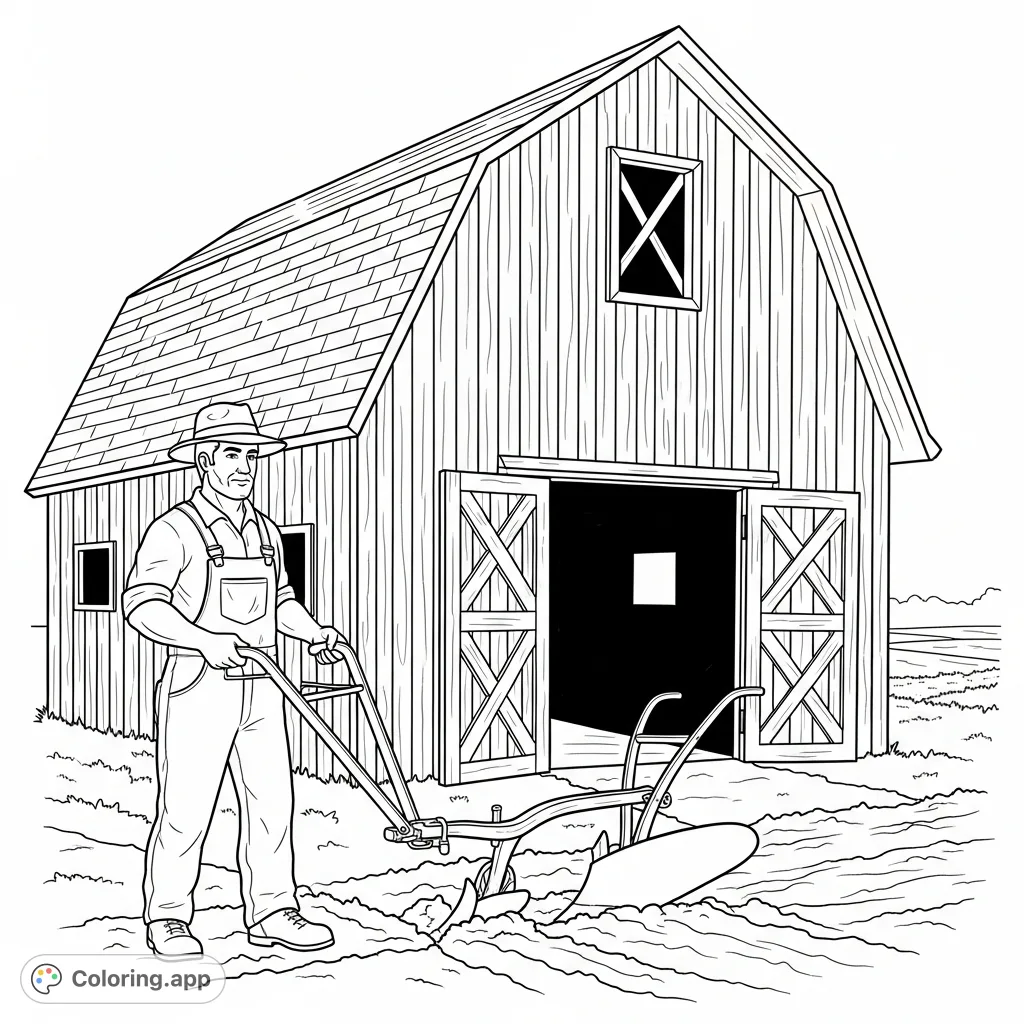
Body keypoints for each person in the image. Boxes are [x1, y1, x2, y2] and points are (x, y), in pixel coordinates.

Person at [123, 401, 340, 961]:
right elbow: (141, 606)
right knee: (187, 806)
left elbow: (282, 602)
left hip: (266, 687)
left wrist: (313, 632)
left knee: (273, 801)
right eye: (231, 454)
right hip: (200, 685)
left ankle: (272, 909)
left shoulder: (265, 530)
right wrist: (203, 640)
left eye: (251, 455)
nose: (244, 466)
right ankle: (168, 916)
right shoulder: (175, 530)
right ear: (201, 460)